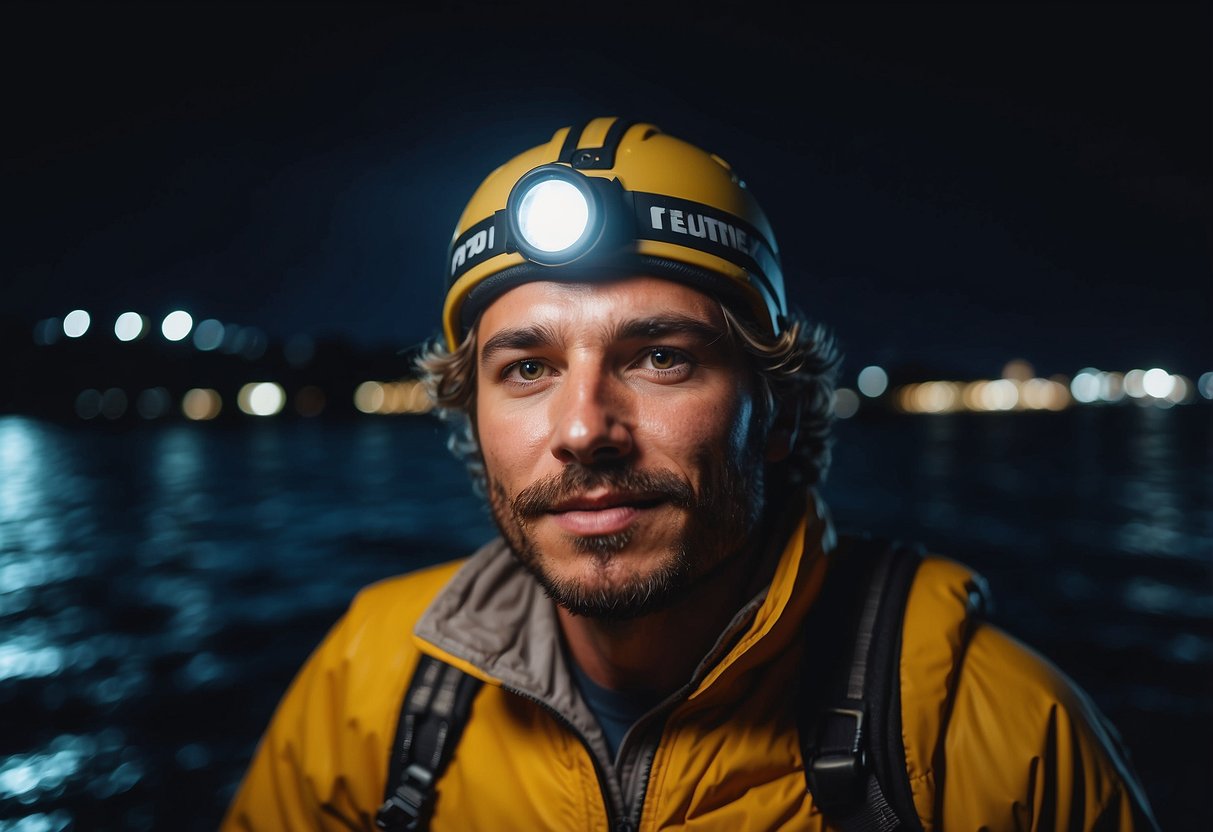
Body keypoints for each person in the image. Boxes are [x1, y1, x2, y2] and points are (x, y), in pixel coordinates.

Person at [222, 117, 1159, 831]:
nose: (586, 428)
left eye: (660, 356)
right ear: (471, 417)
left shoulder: (994, 739)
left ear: (781, 412)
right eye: (527, 369)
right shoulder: (370, 689)